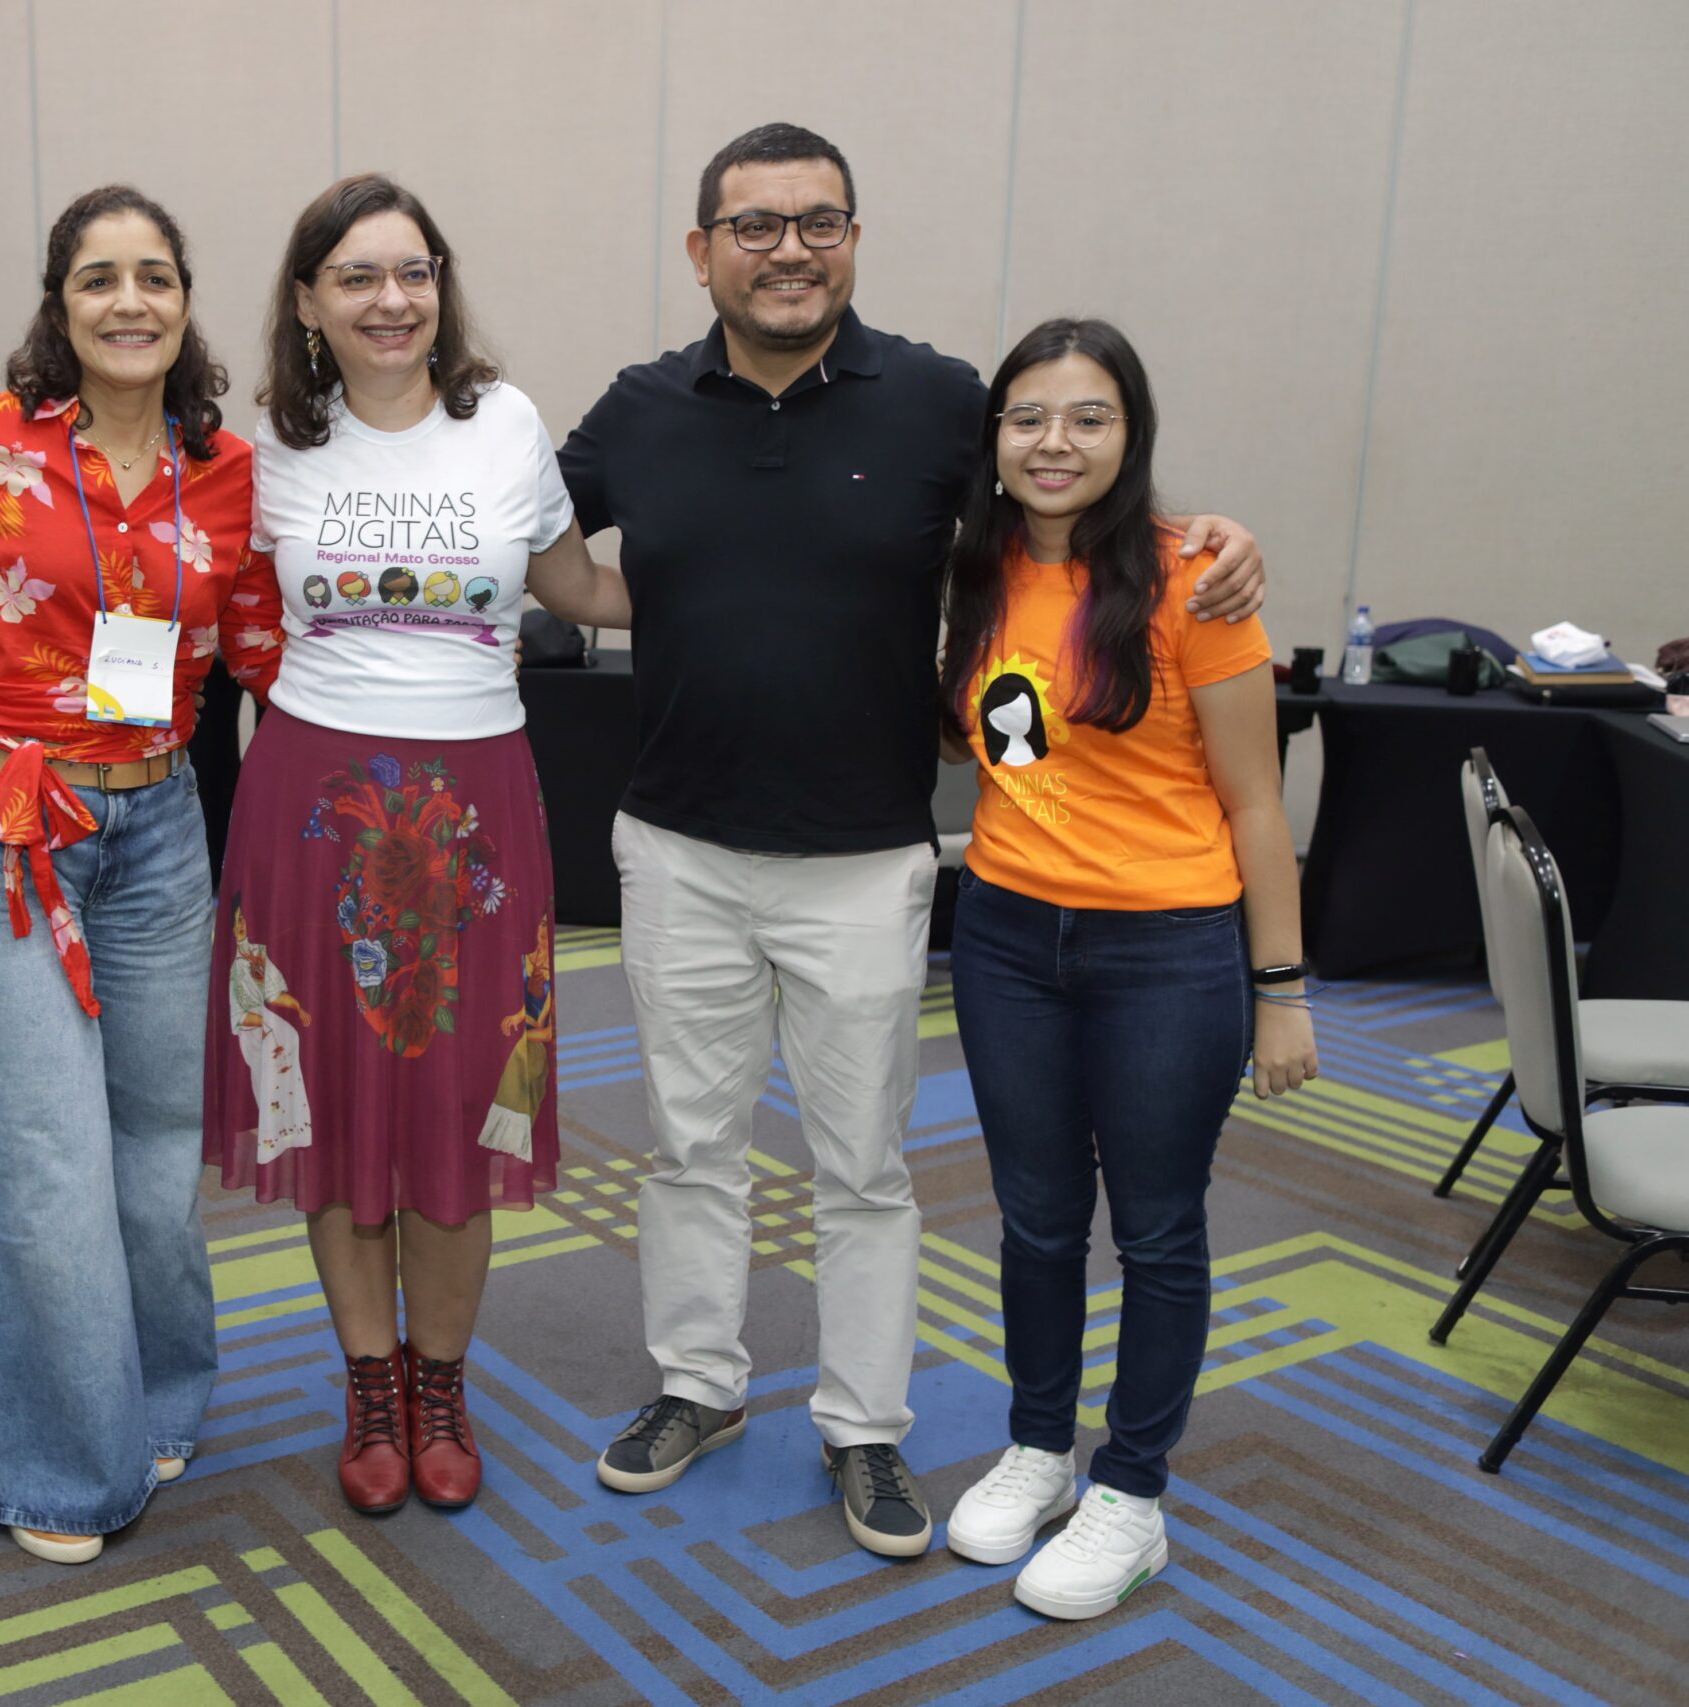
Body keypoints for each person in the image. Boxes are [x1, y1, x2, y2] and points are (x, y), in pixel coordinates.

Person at [558, 123, 1267, 1556]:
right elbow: (537, 541)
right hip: (680, 848)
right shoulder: (635, 409)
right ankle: (698, 1385)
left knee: (864, 1163)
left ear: (855, 243)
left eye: (820, 222)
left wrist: (1211, 531)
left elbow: (1071, 502)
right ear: (702, 252)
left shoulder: (943, 400)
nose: (790, 250)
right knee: (689, 1146)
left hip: (869, 854)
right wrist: (653, 609)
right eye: (755, 227)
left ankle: (863, 1423)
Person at [203, 174, 629, 1517]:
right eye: (359, 276)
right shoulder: (265, 443)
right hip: (312, 807)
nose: (393, 299)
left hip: (480, 806)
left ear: (440, 285)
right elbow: (171, 587)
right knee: (331, 1110)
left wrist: (758, 573)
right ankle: (370, 1381)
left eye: (414, 271)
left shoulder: (504, 424)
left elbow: (577, 588)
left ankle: (443, 1381)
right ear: (308, 301)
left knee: (459, 1103)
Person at [0, 185, 283, 1566]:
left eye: (157, 278)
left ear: (186, 303)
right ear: (59, 307)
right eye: (100, 279)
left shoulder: (223, 471)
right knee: (44, 1159)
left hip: (157, 827)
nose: (131, 302)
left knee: (154, 1154)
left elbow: (257, 651)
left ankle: (159, 1395)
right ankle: (62, 1471)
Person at [936, 317, 1316, 1618]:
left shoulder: (1193, 578)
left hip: (1169, 953)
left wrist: (1282, 988)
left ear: (1129, 435)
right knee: (1037, 1219)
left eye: (1088, 417)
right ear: (993, 440)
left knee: (1156, 1231)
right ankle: (1040, 1449)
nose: (1056, 442)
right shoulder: (975, 570)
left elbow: (1258, 802)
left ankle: (1132, 1494)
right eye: (1028, 416)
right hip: (1002, 940)